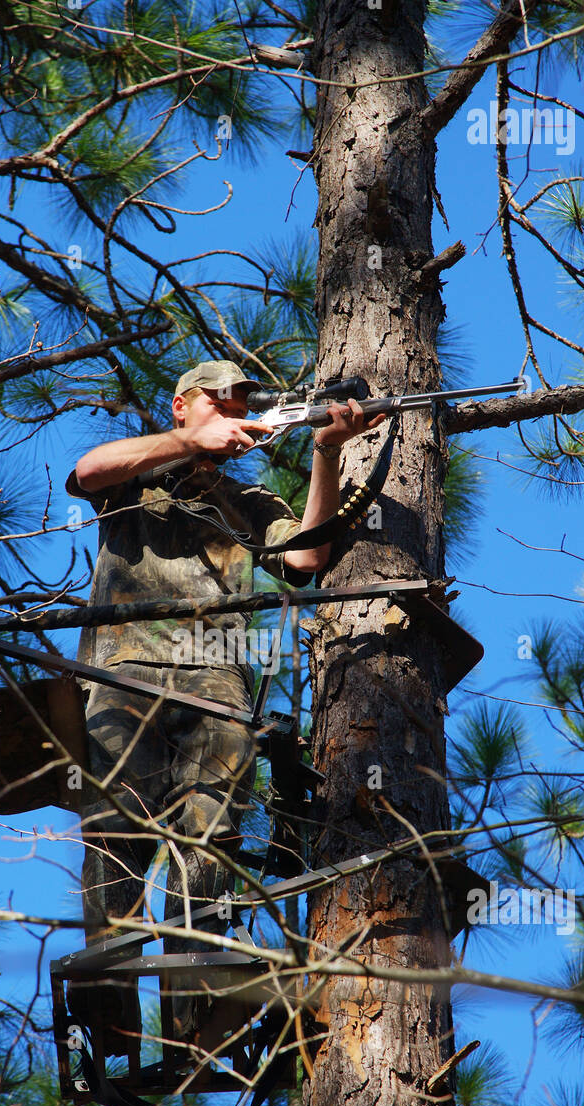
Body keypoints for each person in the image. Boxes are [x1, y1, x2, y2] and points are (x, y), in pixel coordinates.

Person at [66, 360, 383, 1055]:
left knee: (209, 833)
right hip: (125, 671)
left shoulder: (249, 499)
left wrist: (326, 448)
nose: (237, 413)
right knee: (118, 828)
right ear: (182, 406)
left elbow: (305, 559)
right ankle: (110, 1010)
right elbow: (89, 470)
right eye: (221, 402)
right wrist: (191, 445)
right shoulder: (138, 472)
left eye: (246, 405)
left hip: (216, 680)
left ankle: (195, 1009)